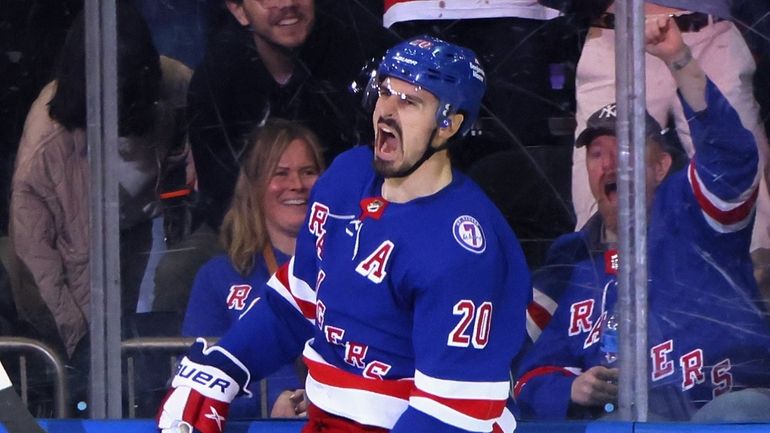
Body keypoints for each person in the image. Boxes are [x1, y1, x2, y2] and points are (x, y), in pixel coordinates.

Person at [157, 35, 531, 433]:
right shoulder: (346, 178)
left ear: (450, 124)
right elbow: (294, 306)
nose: (387, 111)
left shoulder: (464, 247)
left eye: (411, 101)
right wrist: (224, 369)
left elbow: (450, 417)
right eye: (386, 91)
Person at [514, 17, 770, 420]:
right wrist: (572, 387)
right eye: (596, 153)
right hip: (637, 418)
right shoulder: (575, 264)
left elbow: (733, 158)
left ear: (661, 165)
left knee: (737, 414)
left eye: (627, 147)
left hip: (726, 407)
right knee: (621, 423)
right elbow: (529, 376)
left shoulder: (699, 217)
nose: (610, 162)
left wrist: (679, 59)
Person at [9, 1, 191, 413]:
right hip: (62, 263)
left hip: (133, 234)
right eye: (106, 85)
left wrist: (194, 149)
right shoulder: (45, 145)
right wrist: (83, 343)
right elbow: (40, 264)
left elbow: (201, 97)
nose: (117, 94)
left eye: (127, 82)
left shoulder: (165, 83)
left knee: (130, 342)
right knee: (80, 372)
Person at [152, 0, 385, 315]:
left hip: (348, 225)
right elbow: (220, 197)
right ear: (238, 10)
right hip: (248, 224)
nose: (287, 4)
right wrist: (273, 248)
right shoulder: (216, 78)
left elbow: (377, 169)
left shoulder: (357, 53)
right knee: (178, 270)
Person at [567, 0, 770, 258]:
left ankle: (752, 287)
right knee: (601, 174)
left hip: (712, 33)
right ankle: (599, 287)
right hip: (615, 34)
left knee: (746, 181)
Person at [181, 118, 324, 418]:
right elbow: (195, 383)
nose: (297, 184)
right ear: (255, 186)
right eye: (280, 173)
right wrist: (270, 401)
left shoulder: (353, 270)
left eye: (308, 172)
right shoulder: (217, 278)